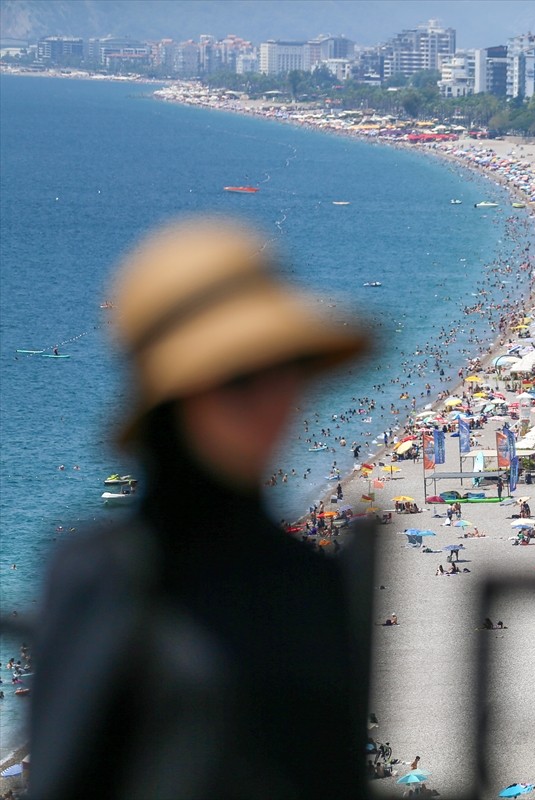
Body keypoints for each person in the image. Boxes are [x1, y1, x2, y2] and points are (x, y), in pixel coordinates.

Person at [29, 217, 372, 799]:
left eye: (284, 367)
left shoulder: (313, 577)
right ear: (175, 400)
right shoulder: (107, 575)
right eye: (240, 378)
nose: (274, 399)